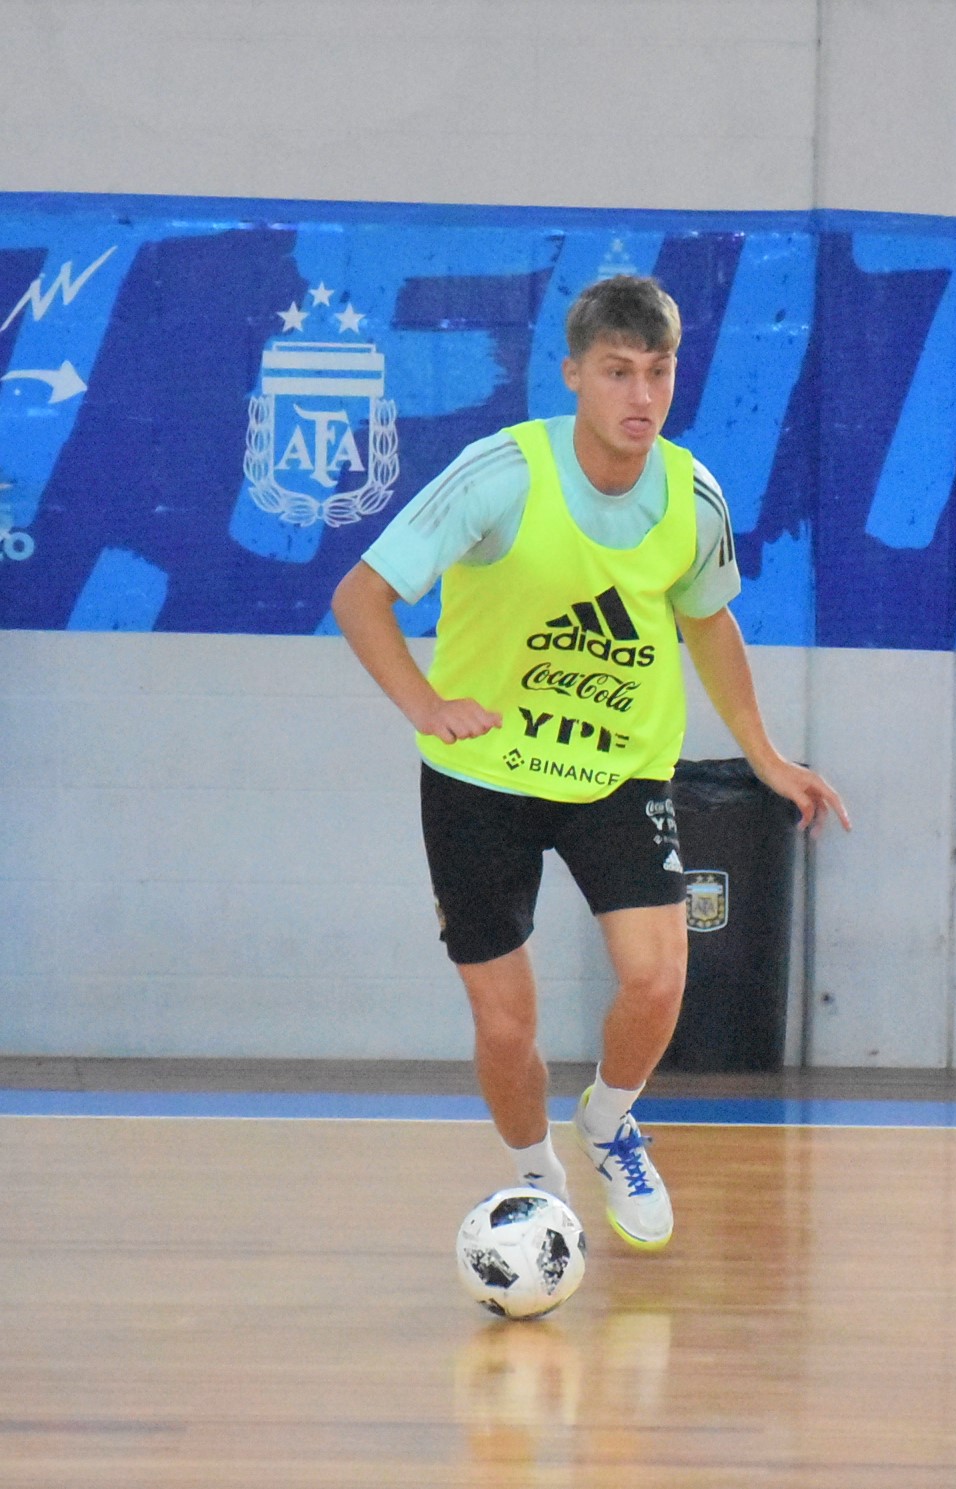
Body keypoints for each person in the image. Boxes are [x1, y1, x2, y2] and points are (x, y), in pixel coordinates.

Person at [333, 274, 847, 1252]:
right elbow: (361, 595)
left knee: (658, 976)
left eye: (657, 372)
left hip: (616, 774)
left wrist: (767, 753)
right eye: (618, 372)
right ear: (573, 375)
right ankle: (536, 1181)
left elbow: (709, 621)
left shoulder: (692, 498)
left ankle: (610, 1119)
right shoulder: (500, 477)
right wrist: (427, 704)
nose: (640, 395)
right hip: (480, 778)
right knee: (505, 1025)